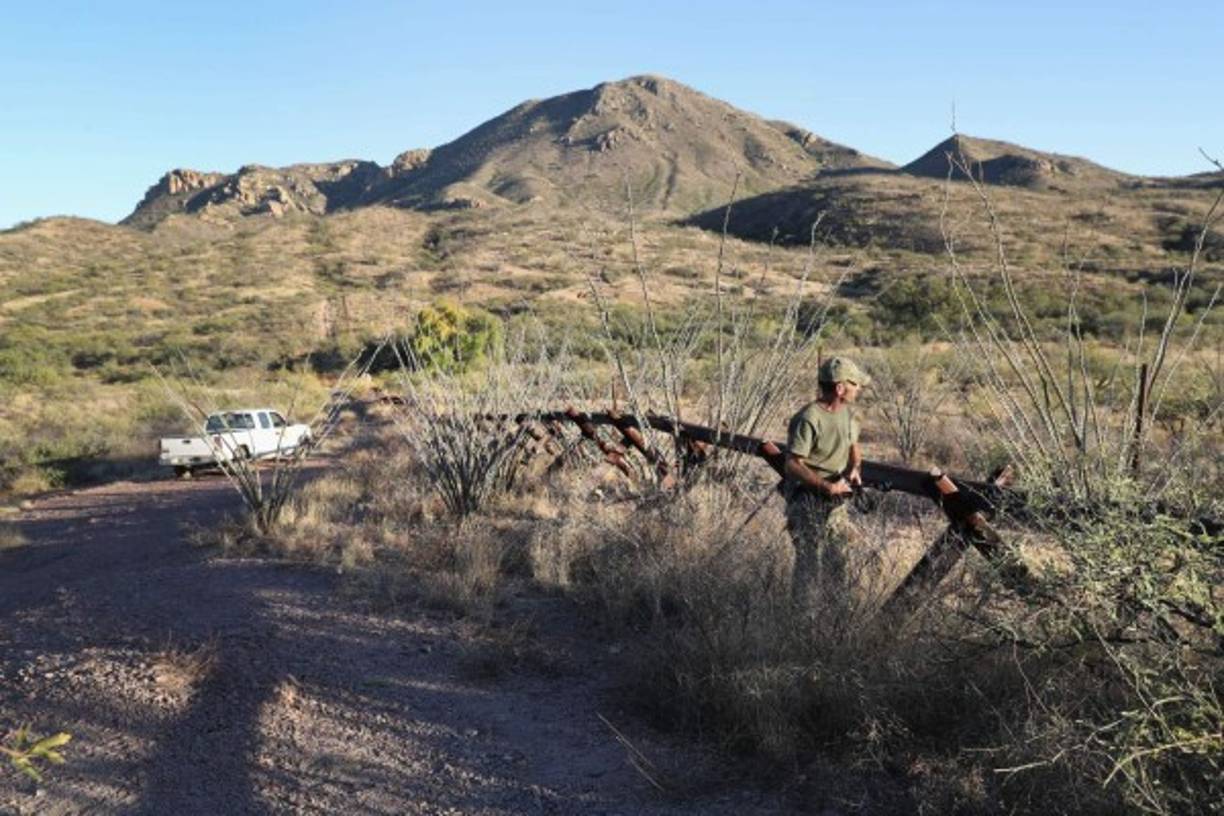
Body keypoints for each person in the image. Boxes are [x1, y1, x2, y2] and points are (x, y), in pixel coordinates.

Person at [783, 356, 870, 612]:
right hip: (807, 500)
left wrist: (854, 468)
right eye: (855, 384)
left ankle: (835, 617)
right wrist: (827, 487)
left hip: (835, 501)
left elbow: (854, 445)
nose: (859, 389)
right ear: (840, 388)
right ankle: (802, 620)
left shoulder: (850, 415)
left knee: (840, 558)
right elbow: (793, 464)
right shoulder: (808, 418)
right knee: (809, 563)